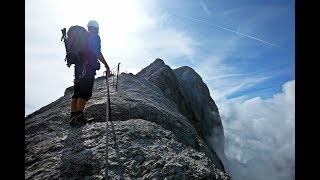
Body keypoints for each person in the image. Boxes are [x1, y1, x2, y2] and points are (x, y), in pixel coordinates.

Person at [68, 20, 110, 126]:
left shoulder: (82, 39)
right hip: (87, 66)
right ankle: (79, 117)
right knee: (85, 91)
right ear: (96, 28)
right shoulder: (94, 37)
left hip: (78, 66)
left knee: (77, 92)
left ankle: (73, 117)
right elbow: (97, 52)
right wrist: (106, 64)